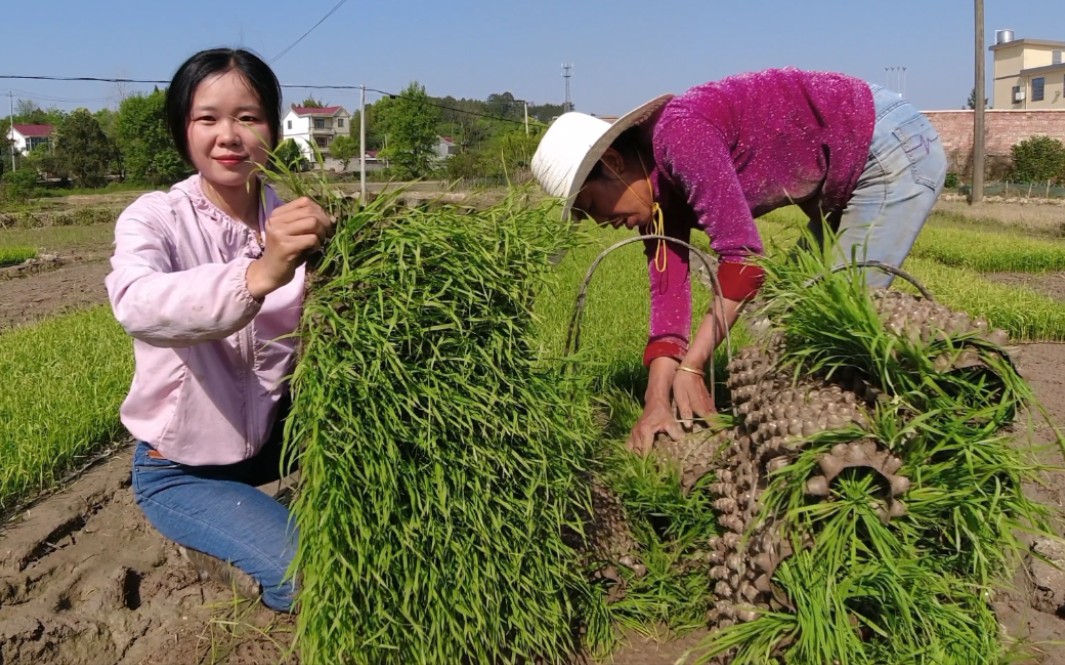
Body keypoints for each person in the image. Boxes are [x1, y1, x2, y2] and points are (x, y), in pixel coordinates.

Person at [531, 67, 946, 454]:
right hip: (843, 166)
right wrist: (655, 402)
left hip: (885, 142)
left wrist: (693, 366)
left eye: (590, 206)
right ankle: (807, 432)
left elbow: (744, 260)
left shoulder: (680, 137)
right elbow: (669, 300)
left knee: (834, 321)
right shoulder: (657, 204)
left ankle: (904, 432)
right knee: (786, 315)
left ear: (613, 164)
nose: (601, 223)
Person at [105, 47, 333, 612]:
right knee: (310, 578)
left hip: (276, 441)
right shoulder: (156, 217)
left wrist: (337, 259)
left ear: (274, 131)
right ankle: (226, 552)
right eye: (207, 118)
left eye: (248, 118)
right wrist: (259, 274)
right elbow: (137, 302)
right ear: (183, 130)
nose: (228, 135)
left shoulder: (298, 216)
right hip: (181, 467)